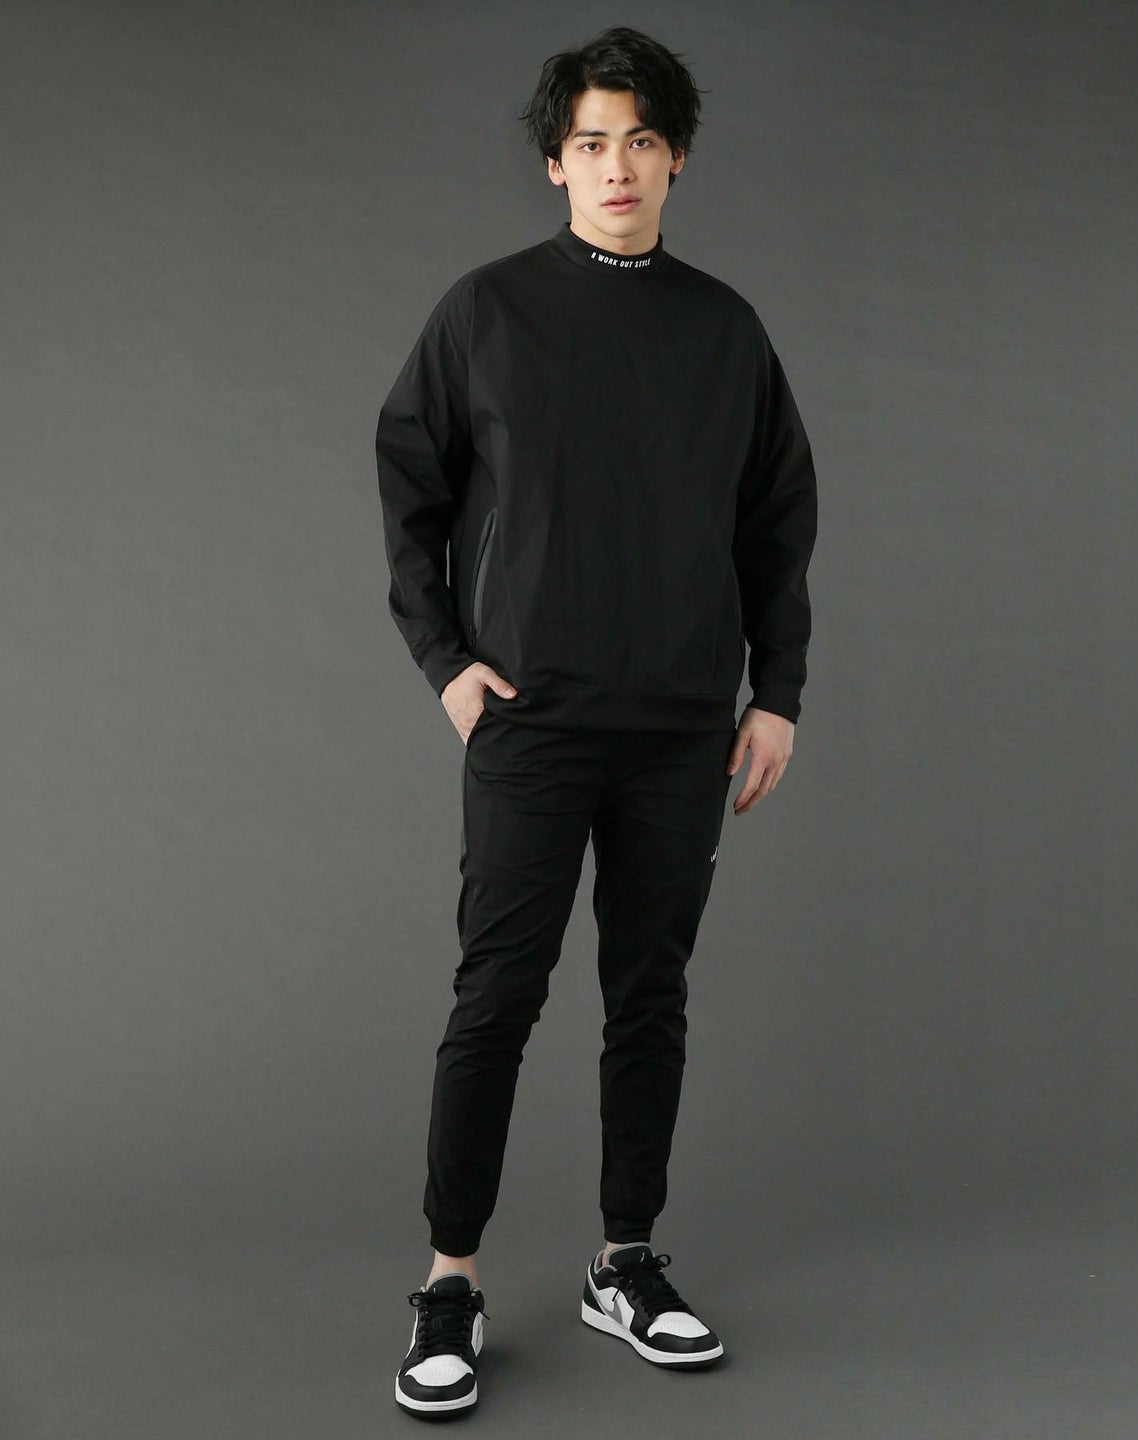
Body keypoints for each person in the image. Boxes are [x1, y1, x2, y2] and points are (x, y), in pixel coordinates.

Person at [376, 25, 818, 1418]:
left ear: (676, 157)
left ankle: (626, 1263)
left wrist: (776, 694)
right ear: (555, 163)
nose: (615, 165)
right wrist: (447, 661)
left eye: (639, 140)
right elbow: (410, 482)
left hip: (681, 726)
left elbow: (778, 521)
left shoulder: (725, 330)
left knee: (650, 995)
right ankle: (449, 1282)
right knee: (496, 995)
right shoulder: (488, 312)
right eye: (588, 142)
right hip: (533, 721)